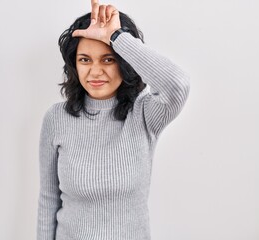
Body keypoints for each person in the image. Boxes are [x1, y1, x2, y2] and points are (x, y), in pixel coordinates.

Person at [37, 0, 190, 239]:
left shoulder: (145, 113)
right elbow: (48, 201)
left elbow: (177, 85)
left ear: (124, 62)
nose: (95, 71)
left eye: (108, 59)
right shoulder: (56, 118)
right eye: (85, 60)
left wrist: (117, 37)